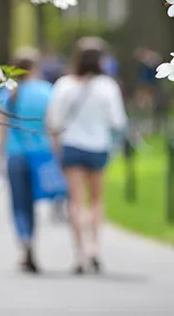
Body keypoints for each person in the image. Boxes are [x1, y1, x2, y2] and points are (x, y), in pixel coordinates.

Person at [47, 37, 127, 274]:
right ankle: (94, 248)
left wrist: (56, 148)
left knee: (76, 200)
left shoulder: (64, 85)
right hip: (98, 146)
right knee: (96, 200)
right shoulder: (108, 86)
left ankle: (79, 253)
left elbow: (54, 121)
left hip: (72, 145)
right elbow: (117, 120)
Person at [0, 47, 54, 273]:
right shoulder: (46, 91)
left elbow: (1, 131)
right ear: (35, 67)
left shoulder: (6, 92)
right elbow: (51, 124)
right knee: (32, 204)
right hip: (40, 154)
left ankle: (24, 243)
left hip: (15, 155)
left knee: (19, 205)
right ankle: (31, 242)